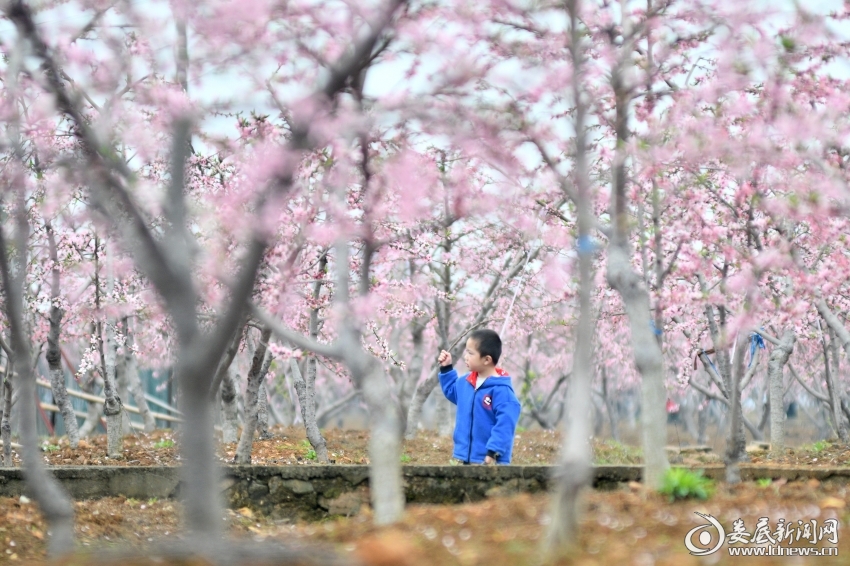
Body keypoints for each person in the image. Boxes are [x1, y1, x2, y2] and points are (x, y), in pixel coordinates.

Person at [438, 329, 521, 465]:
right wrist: (446, 369)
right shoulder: (465, 382)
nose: (465, 356)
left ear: (487, 359)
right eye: (466, 351)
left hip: (489, 460)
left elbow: (505, 424)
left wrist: (493, 451)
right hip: (463, 458)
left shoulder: (501, 391)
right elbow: (452, 392)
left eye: (470, 353)